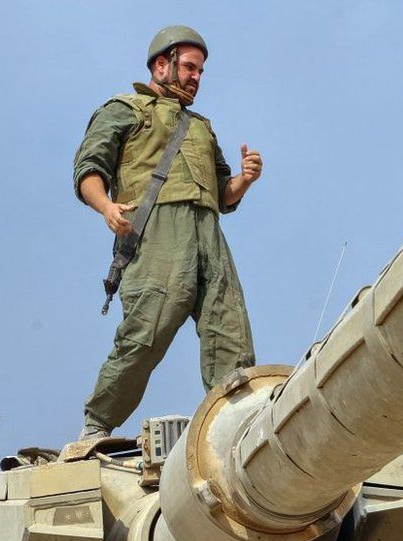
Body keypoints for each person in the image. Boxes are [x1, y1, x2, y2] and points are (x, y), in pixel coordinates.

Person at [72, 25, 261, 440]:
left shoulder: (200, 127)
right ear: (163, 65)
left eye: (201, 71)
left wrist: (245, 181)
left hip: (208, 231)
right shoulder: (125, 109)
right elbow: (88, 168)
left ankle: (236, 427)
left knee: (228, 326)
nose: (196, 77)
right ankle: (97, 423)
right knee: (148, 329)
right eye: (190, 67)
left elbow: (224, 194)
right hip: (157, 231)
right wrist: (106, 206)